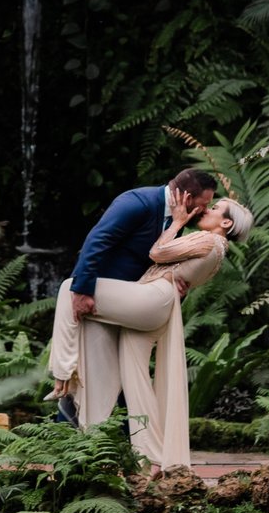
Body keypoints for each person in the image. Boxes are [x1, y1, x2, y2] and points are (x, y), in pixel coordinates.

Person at [46, 173, 253, 469]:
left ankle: (61, 373)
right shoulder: (140, 203)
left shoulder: (206, 238)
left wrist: (179, 225)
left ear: (226, 224)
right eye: (206, 204)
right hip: (146, 302)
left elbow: (156, 253)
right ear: (185, 197)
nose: (205, 210)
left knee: (69, 287)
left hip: (148, 301)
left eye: (213, 208)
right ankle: (145, 452)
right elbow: (103, 241)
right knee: (134, 378)